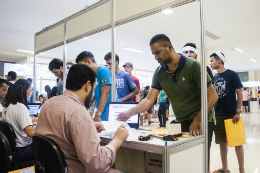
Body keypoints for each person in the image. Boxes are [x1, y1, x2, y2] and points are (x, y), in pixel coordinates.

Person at [117, 34, 218, 171]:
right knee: (184, 159)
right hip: (181, 120)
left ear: (169, 47)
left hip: (203, 119)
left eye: (158, 52)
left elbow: (212, 96)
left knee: (200, 160)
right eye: (153, 54)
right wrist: (129, 113)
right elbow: (149, 100)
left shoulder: (193, 66)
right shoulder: (159, 72)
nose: (155, 57)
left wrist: (198, 119)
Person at [35, 64, 129, 173]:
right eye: (94, 89)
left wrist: (87, 125)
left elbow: (60, 131)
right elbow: (97, 164)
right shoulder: (78, 112)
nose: (94, 94)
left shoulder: (48, 104)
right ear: (87, 86)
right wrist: (117, 139)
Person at [210, 51, 245, 173]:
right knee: (221, 142)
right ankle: (225, 168)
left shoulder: (232, 74)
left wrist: (238, 112)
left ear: (219, 60)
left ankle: (242, 169)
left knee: (237, 142)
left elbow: (239, 94)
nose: (210, 63)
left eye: (212, 60)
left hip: (232, 113)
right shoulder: (214, 78)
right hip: (218, 114)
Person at [76, 51, 118, 122]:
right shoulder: (93, 75)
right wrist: (89, 110)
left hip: (107, 112)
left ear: (89, 62)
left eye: (83, 66)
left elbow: (105, 93)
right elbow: (94, 97)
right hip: (99, 111)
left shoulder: (104, 71)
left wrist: (97, 115)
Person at [1, 79, 36, 163]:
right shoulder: (20, 107)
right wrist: (43, 123)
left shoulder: (7, 106)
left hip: (12, 149)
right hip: (23, 150)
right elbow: (30, 133)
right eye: (30, 91)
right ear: (23, 91)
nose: (31, 94)